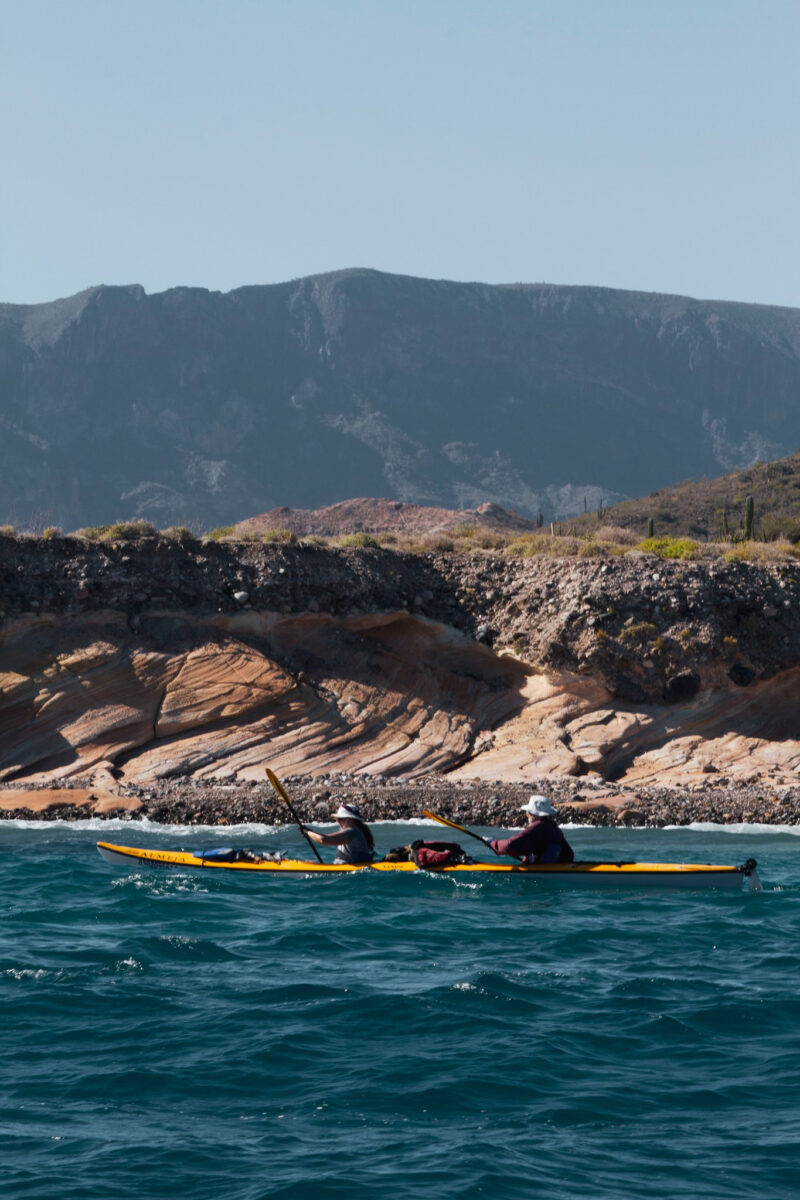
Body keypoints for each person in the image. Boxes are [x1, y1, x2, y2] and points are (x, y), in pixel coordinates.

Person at [488, 795, 574, 864]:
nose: (526, 814)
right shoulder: (555, 829)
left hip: (540, 877)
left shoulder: (537, 827)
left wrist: (491, 843)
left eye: (527, 812)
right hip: (552, 872)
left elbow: (509, 846)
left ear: (532, 814)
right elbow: (569, 855)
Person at [304, 803, 375, 864]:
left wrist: (308, 832)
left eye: (340, 819)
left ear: (350, 820)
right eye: (337, 819)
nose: (337, 821)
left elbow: (323, 840)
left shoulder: (352, 832)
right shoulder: (357, 830)